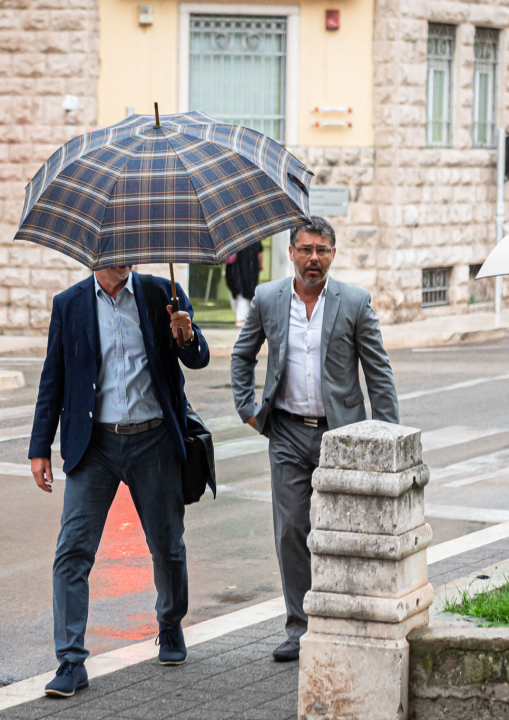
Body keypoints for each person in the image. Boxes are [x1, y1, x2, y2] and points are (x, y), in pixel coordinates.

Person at [28, 265, 210, 698]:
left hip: (153, 440)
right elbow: (53, 378)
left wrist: (185, 334)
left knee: (168, 546)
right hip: (94, 446)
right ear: (92, 253)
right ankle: (70, 661)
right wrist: (40, 447)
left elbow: (198, 358)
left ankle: (169, 625)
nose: (121, 256)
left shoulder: (159, 292)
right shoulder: (69, 304)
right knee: (72, 551)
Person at [230, 217, 399, 662]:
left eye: (322, 250)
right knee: (291, 530)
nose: (313, 259)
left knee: (347, 531)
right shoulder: (268, 299)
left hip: (340, 435)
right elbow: (242, 355)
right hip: (285, 430)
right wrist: (247, 408)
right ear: (290, 252)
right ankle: (300, 627)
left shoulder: (354, 302)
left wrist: (388, 436)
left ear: (333, 254)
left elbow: (378, 375)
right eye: (305, 250)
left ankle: (347, 619)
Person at [225, 240, 263, 327]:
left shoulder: (234, 238)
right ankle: (239, 317)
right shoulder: (255, 239)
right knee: (244, 293)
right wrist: (260, 265)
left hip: (234, 270)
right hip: (249, 269)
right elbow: (259, 254)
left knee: (238, 292)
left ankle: (239, 317)